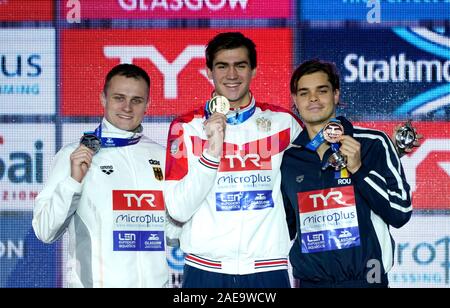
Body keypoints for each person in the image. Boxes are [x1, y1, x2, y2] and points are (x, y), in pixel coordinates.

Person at [164, 32, 303, 288]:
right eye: (222, 66)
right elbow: (178, 209)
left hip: (268, 267)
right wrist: (211, 152)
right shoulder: (187, 127)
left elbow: (311, 180)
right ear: (208, 71)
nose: (232, 75)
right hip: (204, 269)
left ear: (254, 70)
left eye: (240, 65)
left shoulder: (283, 123)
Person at [32, 64, 179, 288]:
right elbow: (45, 230)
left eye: (136, 100)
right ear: (103, 98)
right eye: (119, 97)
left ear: (148, 104)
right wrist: (73, 182)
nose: (127, 107)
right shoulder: (74, 155)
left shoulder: (161, 156)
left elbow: (173, 232)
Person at [281, 59, 413, 288]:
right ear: (295, 100)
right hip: (310, 283)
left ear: (336, 95)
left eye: (321, 90)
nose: (313, 98)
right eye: (304, 93)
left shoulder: (373, 143)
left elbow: (400, 212)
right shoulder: (290, 159)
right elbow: (285, 228)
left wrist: (358, 170)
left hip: (366, 281)